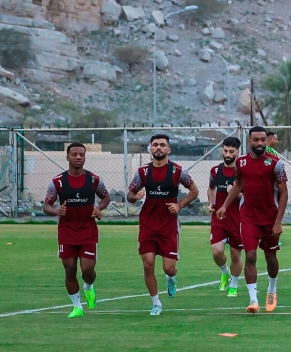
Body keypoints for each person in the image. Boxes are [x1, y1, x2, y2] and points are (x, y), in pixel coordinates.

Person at [217, 126, 289, 314]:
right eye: (256, 140)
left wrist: (278, 221)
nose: (260, 143)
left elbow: (283, 193)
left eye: (263, 140)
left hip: (270, 218)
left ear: (267, 141)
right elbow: (238, 184)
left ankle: (272, 290)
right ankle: (253, 300)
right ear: (249, 142)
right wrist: (224, 205)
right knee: (250, 256)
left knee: (270, 257)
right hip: (248, 217)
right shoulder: (240, 163)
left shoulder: (276, 164)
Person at [126, 134, 200, 316]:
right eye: (155, 145)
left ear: (168, 150)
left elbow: (194, 191)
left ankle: (171, 278)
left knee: (169, 267)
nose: (158, 147)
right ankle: (156, 303)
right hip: (148, 225)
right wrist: (134, 197)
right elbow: (129, 194)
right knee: (148, 264)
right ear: (150, 149)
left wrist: (180, 205)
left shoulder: (177, 171)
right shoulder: (143, 172)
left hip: (168, 226)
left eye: (162, 145)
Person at [42, 142, 111, 318]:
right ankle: (77, 307)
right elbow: (46, 205)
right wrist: (56, 211)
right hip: (67, 232)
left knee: (87, 270)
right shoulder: (57, 182)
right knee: (70, 269)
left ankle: (89, 287)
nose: (78, 157)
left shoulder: (94, 180)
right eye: (74, 154)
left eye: (82, 154)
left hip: (88, 231)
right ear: (67, 157)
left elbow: (106, 197)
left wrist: (99, 209)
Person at [207, 137, 244, 297]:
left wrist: (236, 194)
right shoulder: (215, 170)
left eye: (231, 151)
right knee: (216, 252)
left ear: (238, 152)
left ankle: (234, 286)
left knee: (235, 255)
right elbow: (211, 188)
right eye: (225, 150)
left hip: (238, 220)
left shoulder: (242, 171)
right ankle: (224, 272)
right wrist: (211, 202)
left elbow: (250, 196)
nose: (228, 154)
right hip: (219, 219)